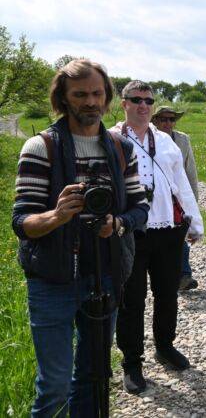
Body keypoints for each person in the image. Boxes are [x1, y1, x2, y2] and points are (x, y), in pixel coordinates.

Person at [12, 59, 149, 417]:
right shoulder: (41, 147)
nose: (90, 102)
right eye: (80, 95)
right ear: (63, 98)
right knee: (55, 384)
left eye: (97, 94)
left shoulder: (121, 148)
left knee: (93, 376)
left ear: (107, 97)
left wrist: (117, 223)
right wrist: (57, 216)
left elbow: (140, 208)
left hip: (104, 274)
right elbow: (21, 222)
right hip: (52, 278)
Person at [113, 81, 204, 395]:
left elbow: (181, 184)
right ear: (124, 103)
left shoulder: (165, 141)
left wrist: (194, 222)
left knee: (167, 293)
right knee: (131, 299)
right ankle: (132, 362)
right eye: (136, 99)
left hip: (168, 229)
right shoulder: (111, 139)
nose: (143, 105)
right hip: (130, 232)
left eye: (148, 101)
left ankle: (164, 346)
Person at [152, 105, 200, 290]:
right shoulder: (148, 137)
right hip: (157, 196)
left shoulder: (182, 139)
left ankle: (183, 276)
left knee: (180, 234)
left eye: (171, 119)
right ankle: (171, 275)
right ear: (155, 121)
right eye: (163, 119)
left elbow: (190, 170)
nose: (168, 123)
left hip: (178, 196)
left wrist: (192, 203)